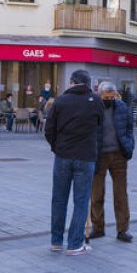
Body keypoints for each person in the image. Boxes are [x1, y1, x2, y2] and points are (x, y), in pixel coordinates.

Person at [44, 69, 103, 255]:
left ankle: (56, 241)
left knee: (59, 199)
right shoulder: (96, 102)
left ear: (71, 82)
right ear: (88, 83)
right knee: (81, 201)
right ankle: (75, 243)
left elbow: (49, 130)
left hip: (63, 156)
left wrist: (57, 147)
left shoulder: (60, 101)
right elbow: (99, 129)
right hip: (86, 157)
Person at [89, 81, 135, 243]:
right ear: (100, 95)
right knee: (97, 194)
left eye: (112, 96)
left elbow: (130, 128)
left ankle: (123, 229)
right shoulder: (94, 108)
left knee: (121, 194)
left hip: (118, 155)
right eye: (106, 97)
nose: (109, 99)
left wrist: (129, 146)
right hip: (99, 156)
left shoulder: (122, 107)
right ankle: (98, 227)